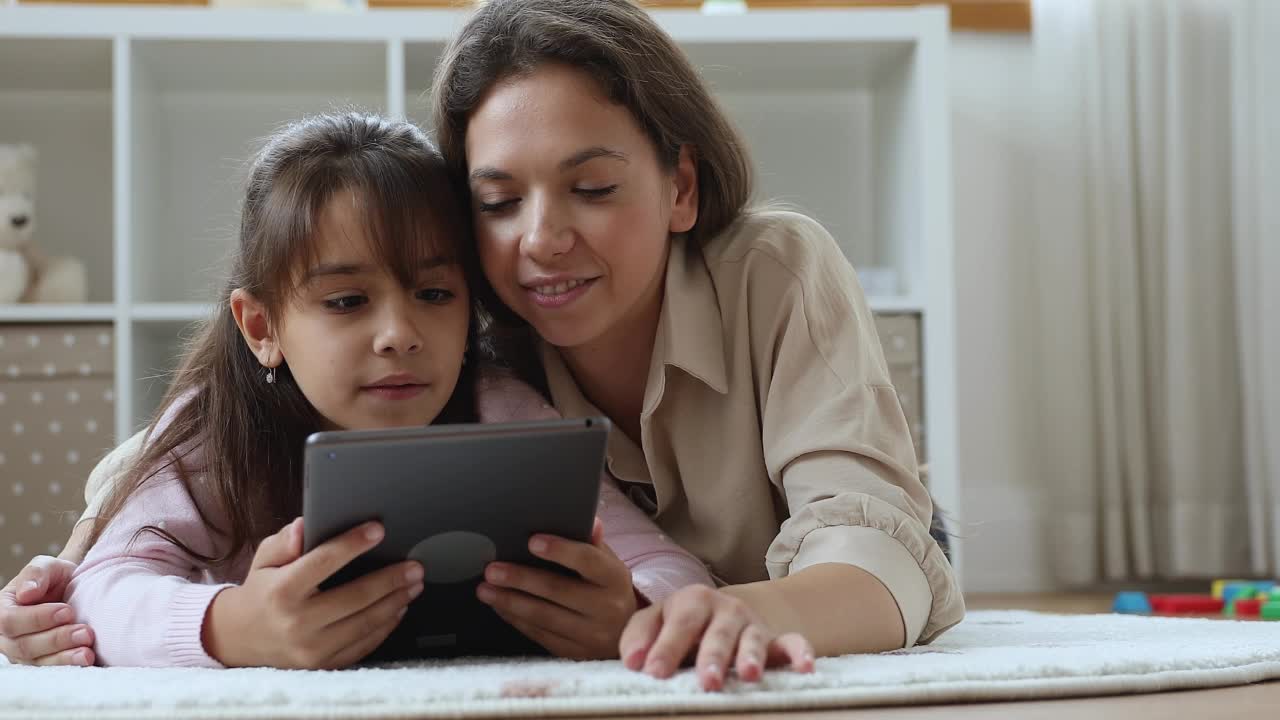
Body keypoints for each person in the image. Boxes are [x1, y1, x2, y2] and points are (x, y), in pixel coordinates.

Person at [0, 112, 711, 669]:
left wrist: (633, 608)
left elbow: (670, 566)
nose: (399, 334)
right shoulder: (215, 428)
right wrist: (233, 627)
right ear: (261, 326)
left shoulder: (501, 409)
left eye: (435, 293)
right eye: (346, 302)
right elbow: (98, 588)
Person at [429, 0, 964, 691]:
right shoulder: (472, 348)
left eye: (591, 188)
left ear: (680, 186)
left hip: (844, 559)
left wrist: (710, 615)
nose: (540, 239)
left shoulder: (777, 271)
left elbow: (880, 565)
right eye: (498, 203)